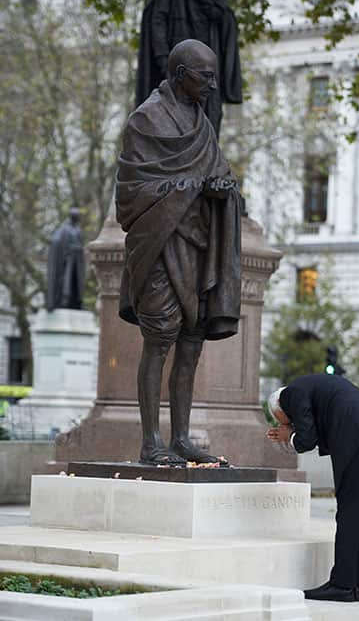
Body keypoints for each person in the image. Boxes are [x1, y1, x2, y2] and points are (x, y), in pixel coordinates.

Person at [116, 39, 242, 466]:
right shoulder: (146, 119)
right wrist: (192, 187)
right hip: (159, 247)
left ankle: (181, 438)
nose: (211, 84)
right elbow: (132, 194)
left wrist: (224, 189)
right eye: (204, 76)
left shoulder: (202, 124)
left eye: (212, 76)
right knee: (159, 340)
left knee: (191, 343)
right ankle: (151, 442)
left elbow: (218, 171)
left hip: (197, 245)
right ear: (179, 73)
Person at [267, 373, 359, 603]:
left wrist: (290, 435)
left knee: (350, 511)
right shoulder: (316, 388)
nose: (286, 424)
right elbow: (324, 429)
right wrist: (294, 433)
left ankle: (342, 585)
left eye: (284, 420)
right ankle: (354, 583)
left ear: (279, 405)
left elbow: (306, 440)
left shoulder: (292, 393)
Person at [136, 0, 242, 136]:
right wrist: (165, 63)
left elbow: (222, 15)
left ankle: (206, 156)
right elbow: (157, 18)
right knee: (173, 124)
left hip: (208, 66)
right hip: (179, 68)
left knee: (210, 120)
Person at [46, 207, 85, 311]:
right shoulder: (64, 229)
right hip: (68, 259)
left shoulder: (78, 229)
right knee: (66, 280)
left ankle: (76, 301)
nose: (78, 219)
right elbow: (56, 241)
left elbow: (80, 243)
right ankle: (64, 300)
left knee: (76, 280)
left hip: (77, 259)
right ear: (72, 217)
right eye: (76, 217)